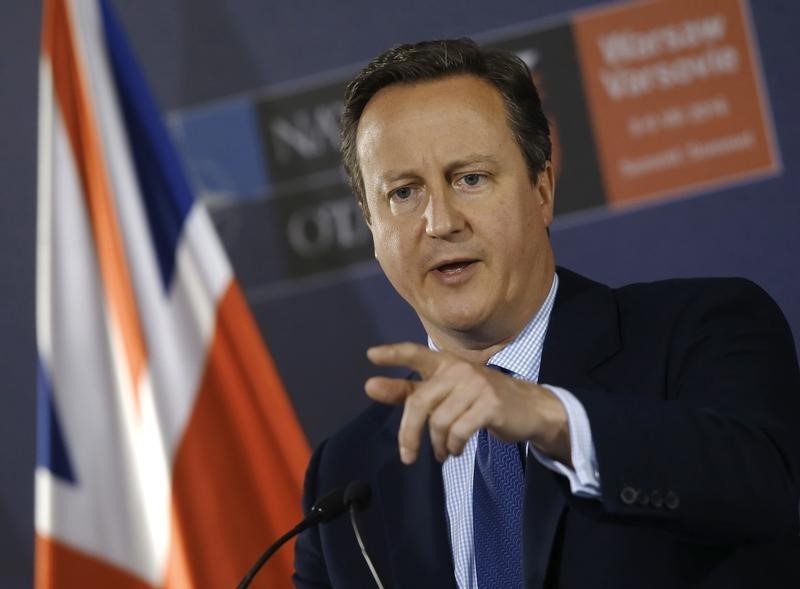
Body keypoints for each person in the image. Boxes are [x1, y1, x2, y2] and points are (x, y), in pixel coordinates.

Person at [292, 38, 800, 588]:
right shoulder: (347, 474)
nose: (440, 221)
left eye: (470, 178)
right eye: (403, 193)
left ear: (542, 190)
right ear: (372, 228)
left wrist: (549, 415)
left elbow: (769, 492)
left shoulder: (700, 331)